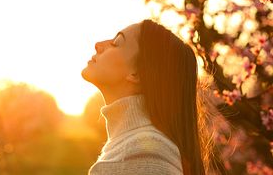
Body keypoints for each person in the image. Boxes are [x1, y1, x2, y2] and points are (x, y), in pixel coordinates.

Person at [81, 19, 221, 175]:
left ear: (137, 73)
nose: (98, 45)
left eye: (117, 42)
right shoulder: (129, 148)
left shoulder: (145, 154)